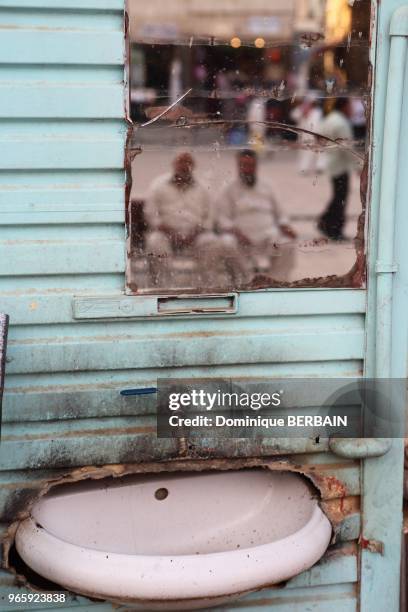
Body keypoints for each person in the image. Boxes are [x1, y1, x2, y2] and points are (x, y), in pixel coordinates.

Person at [215, 149, 297, 284]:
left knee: (287, 243)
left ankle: (277, 282)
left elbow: (281, 212)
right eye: (243, 165)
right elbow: (222, 217)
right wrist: (235, 232)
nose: (247, 169)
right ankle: (244, 281)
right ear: (238, 166)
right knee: (226, 243)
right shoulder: (228, 189)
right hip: (241, 237)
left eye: (251, 166)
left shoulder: (267, 186)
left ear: (256, 166)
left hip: (268, 235)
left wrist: (284, 225)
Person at [144, 152, 217, 287]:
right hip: (166, 234)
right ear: (174, 164)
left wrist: (196, 232)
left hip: (196, 235)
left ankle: (204, 287)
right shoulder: (158, 185)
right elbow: (150, 213)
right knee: (154, 241)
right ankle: (163, 288)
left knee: (210, 241)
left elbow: (210, 216)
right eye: (180, 162)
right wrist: (168, 231)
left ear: (193, 166)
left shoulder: (204, 187)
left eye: (187, 163)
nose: (184, 166)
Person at [317, 98, 355, 240]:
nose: (351, 110)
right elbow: (347, 148)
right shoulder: (341, 123)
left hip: (331, 162)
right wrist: (357, 166)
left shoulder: (330, 118)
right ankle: (334, 230)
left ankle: (325, 222)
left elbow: (318, 135)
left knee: (337, 196)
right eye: (350, 106)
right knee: (340, 198)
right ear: (344, 106)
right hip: (340, 165)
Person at [290, 94, 324, 175]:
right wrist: (303, 111)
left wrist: (319, 134)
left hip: (316, 134)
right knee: (304, 152)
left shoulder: (317, 112)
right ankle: (304, 168)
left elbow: (318, 123)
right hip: (304, 135)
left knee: (319, 151)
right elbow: (293, 115)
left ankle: (320, 167)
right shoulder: (300, 109)